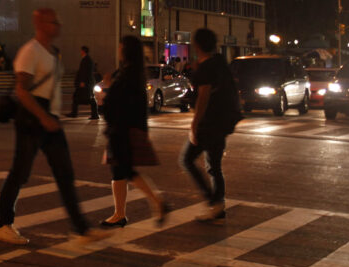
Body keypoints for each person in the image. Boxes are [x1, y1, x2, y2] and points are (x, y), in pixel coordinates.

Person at [0, 9, 105, 246]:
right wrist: (43, 117)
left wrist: (51, 116)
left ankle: (82, 229)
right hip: (32, 119)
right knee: (20, 173)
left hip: (48, 118)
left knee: (65, 174)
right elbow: (22, 90)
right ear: (41, 23)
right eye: (54, 21)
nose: (58, 25)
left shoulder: (52, 53)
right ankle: (2, 224)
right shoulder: (30, 51)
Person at [100, 35, 168, 227]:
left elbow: (118, 102)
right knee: (120, 171)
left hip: (123, 130)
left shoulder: (127, 74)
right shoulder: (134, 73)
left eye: (121, 47)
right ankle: (120, 213)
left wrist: (107, 88)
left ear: (126, 51)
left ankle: (155, 203)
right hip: (127, 129)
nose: (118, 50)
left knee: (124, 170)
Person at [181, 28, 234, 223]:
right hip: (220, 122)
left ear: (198, 45)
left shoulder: (206, 68)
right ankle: (218, 206)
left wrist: (195, 125)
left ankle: (214, 202)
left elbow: (203, 96)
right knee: (214, 166)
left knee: (187, 159)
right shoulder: (219, 63)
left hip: (208, 123)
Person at [68, 46, 99, 119]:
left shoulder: (86, 60)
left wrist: (82, 81)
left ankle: (75, 113)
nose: (80, 52)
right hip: (87, 83)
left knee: (88, 98)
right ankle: (74, 113)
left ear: (83, 51)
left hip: (85, 83)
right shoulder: (87, 59)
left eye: (81, 50)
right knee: (83, 97)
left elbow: (85, 72)